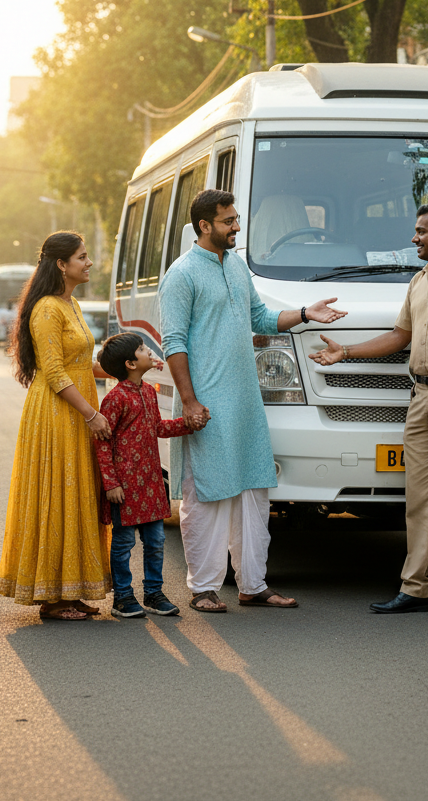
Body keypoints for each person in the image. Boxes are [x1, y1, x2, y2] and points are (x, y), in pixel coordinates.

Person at [158, 189, 346, 613]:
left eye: (236, 218)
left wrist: (304, 313)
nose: (237, 227)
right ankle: (204, 588)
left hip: (245, 402)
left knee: (254, 492)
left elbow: (259, 318)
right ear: (204, 226)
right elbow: (173, 342)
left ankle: (253, 584)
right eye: (228, 221)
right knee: (206, 493)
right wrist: (189, 401)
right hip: (205, 402)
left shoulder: (237, 266)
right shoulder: (182, 274)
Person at [310, 202, 428, 621]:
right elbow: (400, 336)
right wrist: (346, 352)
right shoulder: (419, 281)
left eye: (421, 232)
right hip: (421, 396)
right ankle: (416, 588)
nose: (414, 238)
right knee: (419, 499)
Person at [0, 230, 113, 621]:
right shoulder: (47, 308)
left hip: (79, 409)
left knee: (77, 493)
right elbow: (54, 372)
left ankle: (71, 589)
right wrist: (91, 414)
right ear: (61, 265)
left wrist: (130, 372)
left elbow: (82, 362)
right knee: (58, 493)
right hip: (58, 414)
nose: (89, 262)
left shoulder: (71, 305)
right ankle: (53, 597)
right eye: (82, 257)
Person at [94, 333, 194, 618]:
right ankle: (123, 598)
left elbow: (158, 428)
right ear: (130, 363)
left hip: (150, 485)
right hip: (124, 488)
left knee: (156, 542)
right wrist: (110, 484)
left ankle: (153, 593)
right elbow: (102, 443)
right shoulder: (115, 399)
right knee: (124, 543)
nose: (147, 350)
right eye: (141, 349)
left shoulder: (149, 392)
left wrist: (188, 425)